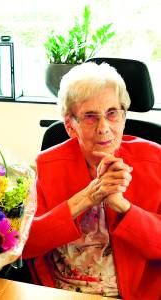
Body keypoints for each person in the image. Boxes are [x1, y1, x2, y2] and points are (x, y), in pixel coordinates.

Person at [22, 62, 161, 299]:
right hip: (61, 292)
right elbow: (25, 246)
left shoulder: (155, 161)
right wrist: (87, 197)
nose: (104, 128)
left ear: (123, 117)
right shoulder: (48, 164)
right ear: (70, 125)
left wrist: (122, 206)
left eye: (112, 113)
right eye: (89, 116)